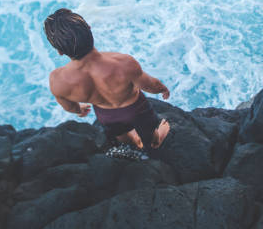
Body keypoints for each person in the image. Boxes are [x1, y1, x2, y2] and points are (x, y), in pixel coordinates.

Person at [44, 8, 170, 152]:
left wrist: (79, 109)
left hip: (106, 115)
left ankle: (135, 142)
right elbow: (149, 85)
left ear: (60, 51)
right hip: (136, 109)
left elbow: (68, 106)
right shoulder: (123, 62)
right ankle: (156, 140)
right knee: (148, 129)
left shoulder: (57, 80)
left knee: (120, 133)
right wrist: (162, 89)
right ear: (90, 30)